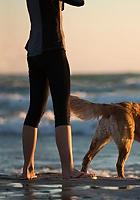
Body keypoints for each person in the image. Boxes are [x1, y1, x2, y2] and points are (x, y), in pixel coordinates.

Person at [22, 0, 85, 180]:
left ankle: (27, 169)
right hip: (54, 50)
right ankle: (68, 170)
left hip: (34, 52)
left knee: (34, 110)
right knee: (62, 110)